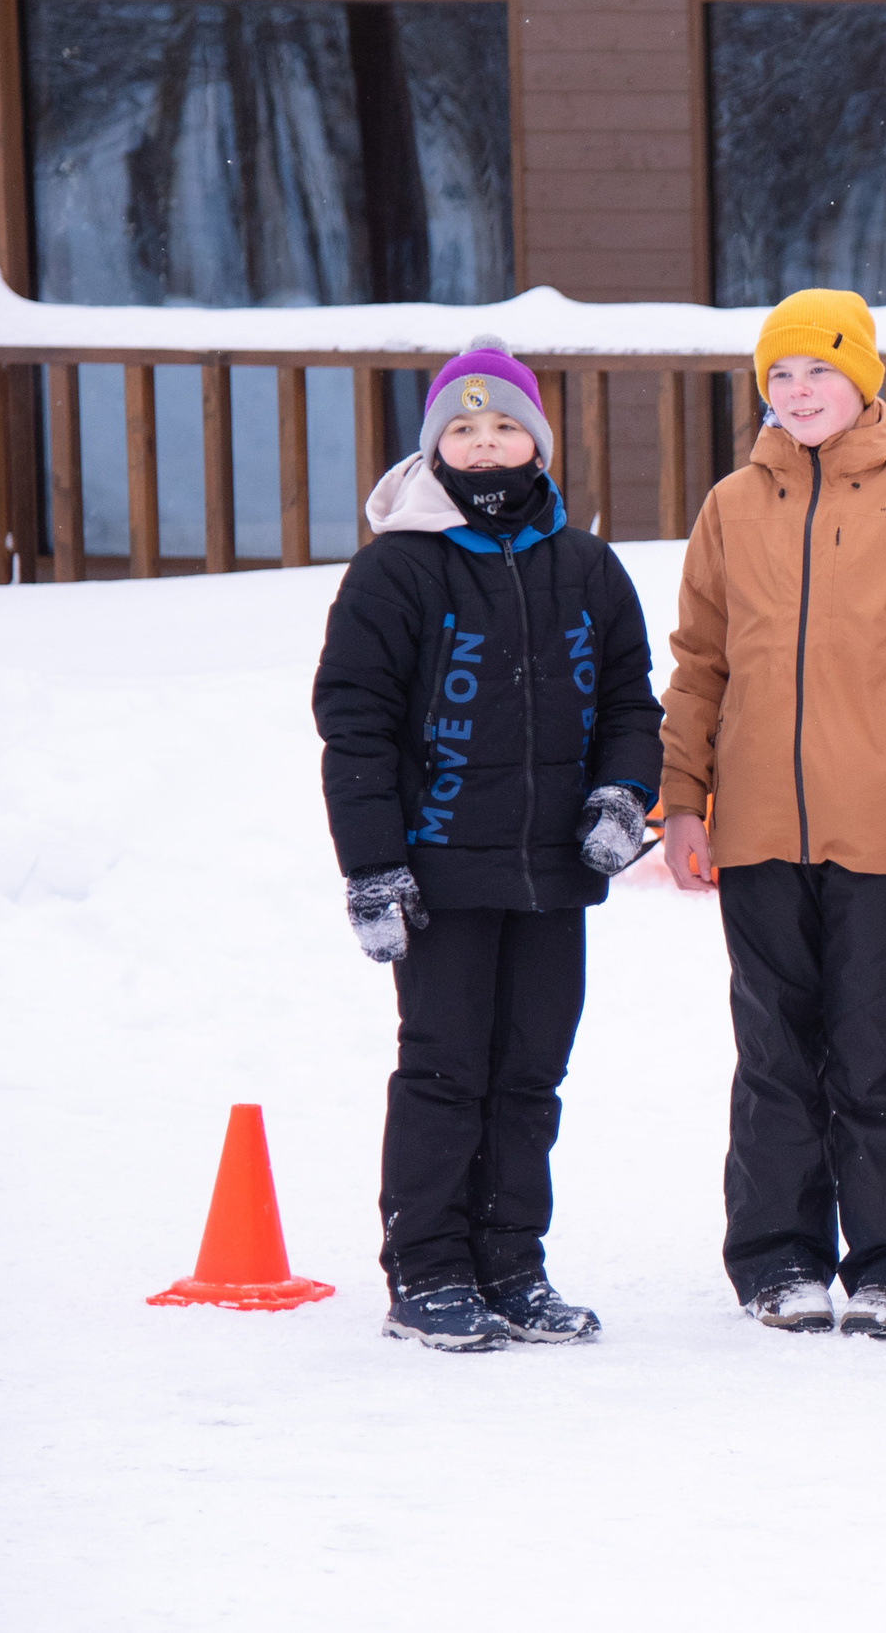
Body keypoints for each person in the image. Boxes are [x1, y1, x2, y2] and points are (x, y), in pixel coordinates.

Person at [662, 288, 886, 1341]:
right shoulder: (730, 506)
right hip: (756, 828)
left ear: (863, 379)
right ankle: (778, 1258)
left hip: (879, 837)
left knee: (877, 1048)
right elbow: (699, 667)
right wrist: (683, 803)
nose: (799, 392)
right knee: (772, 1051)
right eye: (780, 375)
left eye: (818, 371)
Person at [314, 334, 663, 1352]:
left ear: (536, 441)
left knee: (529, 1074)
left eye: (504, 425)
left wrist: (620, 796)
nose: (485, 444)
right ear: (435, 450)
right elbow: (355, 724)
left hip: (554, 873)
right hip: (439, 874)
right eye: (462, 431)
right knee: (445, 1069)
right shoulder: (397, 573)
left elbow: (631, 704)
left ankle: (512, 1264)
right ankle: (425, 1269)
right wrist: (373, 865)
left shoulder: (587, 568)